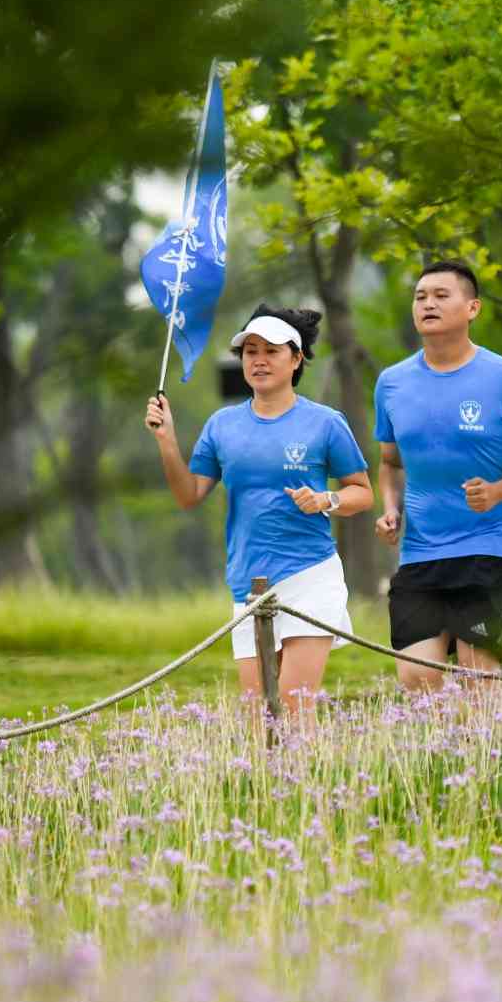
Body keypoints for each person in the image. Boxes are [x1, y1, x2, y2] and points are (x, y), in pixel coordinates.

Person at [145, 306, 371, 727]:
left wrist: (326, 500)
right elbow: (189, 494)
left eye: (270, 350)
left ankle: (308, 790)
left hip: (310, 576)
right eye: (250, 351)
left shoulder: (324, 423)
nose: (259, 360)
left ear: (297, 358)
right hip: (248, 583)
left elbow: (362, 492)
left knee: (292, 709)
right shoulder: (222, 425)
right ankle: (269, 793)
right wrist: (167, 440)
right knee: (260, 721)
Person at [372, 261, 502, 690]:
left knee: (480, 680)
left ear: (472, 307)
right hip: (419, 554)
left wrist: (497, 492)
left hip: (486, 548)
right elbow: (391, 463)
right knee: (418, 680)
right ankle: (442, 759)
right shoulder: (392, 382)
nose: (428, 304)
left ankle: (493, 757)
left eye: (441, 295)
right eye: (420, 297)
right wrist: (390, 510)